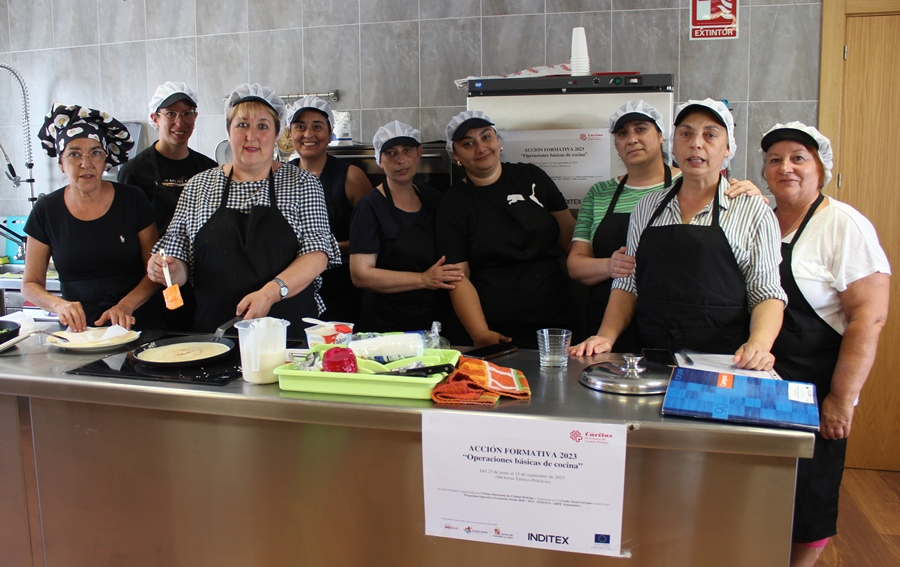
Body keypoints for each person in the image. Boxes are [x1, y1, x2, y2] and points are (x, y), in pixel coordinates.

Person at [571, 99, 787, 371]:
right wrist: (605, 336)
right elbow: (628, 283)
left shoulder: (753, 210)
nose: (696, 144)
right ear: (673, 145)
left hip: (726, 361)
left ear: (728, 148)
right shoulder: (647, 207)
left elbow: (766, 291)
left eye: (710, 135)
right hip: (651, 358)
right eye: (686, 134)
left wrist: (759, 344)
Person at [759, 122, 890, 567]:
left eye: (799, 158)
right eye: (775, 159)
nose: (786, 167)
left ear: (821, 168)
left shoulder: (843, 225)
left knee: (810, 491)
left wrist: (841, 399)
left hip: (815, 385)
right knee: (763, 485)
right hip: (762, 381)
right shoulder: (761, 218)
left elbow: (867, 318)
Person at [147, 84, 340, 339]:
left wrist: (270, 293)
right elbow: (179, 262)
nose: (251, 136)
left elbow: (317, 255)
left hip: (287, 333)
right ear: (228, 131)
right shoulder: (199, 186)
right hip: (215, 335)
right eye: (242, 125)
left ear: (276, 133)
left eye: (262, 126)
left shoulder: (302, 184)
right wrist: (166, 269)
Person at [436, 110, 576, 349]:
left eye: (486, 137)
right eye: (468, 143)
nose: (481, 148)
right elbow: (457, 276)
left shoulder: (532, 176)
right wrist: (480, 333)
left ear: (498, 141)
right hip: (493, 328)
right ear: (456, 155)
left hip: (553, 323)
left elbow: (570, 238)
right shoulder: (452, 204)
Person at [24, 103, 163, 332]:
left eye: (95, 153)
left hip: (137, 322)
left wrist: (125, 306)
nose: (86, 163)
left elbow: (155, 271)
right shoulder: (46, 210)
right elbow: (30, 284)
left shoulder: (132, 199)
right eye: (74, 154)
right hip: (79, 332)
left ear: (105, 160)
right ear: (61, 163)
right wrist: (59, 306)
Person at [568, 100, 681, 352]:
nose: (631, 139)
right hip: (606, 323)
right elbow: (575, 265)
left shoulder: (687, 184)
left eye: (641, 129)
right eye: (622, 133)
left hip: (669, 320)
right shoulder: (600, 193)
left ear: (661, 136)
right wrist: (610, 265)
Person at [117, 82, 217, 332]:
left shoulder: (208, 169)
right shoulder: (134, 172)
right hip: (153, 281)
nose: (179, 122)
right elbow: (130, 234)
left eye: (187, 113)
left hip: (201, 282)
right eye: (170, 113)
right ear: (154, 118)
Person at [348, 121, 463, 335]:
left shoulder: (434, 199)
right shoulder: (370, 207)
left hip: (434, 317)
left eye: (407, 150)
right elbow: (360, 274)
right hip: (387, 323)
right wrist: (423, 279)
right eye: (390, 153)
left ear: (419, 153)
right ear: (379, 161)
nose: (400, 159)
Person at [286, 96, 372, 325]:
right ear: (290, 133)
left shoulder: (351, 176)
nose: (308, 134)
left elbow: (370, 238)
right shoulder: (280, 178)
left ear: (330, 133)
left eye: (317, 126)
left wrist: (321, 251)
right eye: (300, 127)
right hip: (295, 288)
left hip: (341, 289)